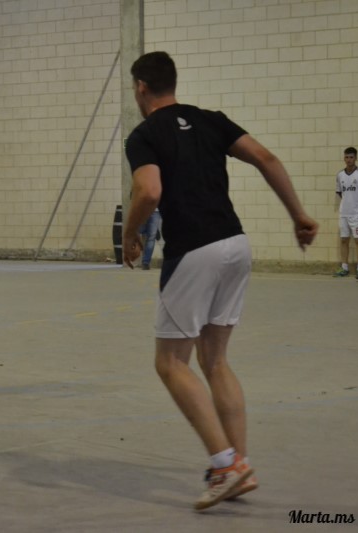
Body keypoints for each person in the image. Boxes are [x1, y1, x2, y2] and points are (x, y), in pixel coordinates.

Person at [122, 51, 318, 511]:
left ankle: (226, 465)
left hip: (195, 250)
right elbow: (266, 158)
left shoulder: (144, 134)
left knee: (171, 363)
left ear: (140, 88)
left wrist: (130, 234)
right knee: (215, 360)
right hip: (236, 245)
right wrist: (298, 215)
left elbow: (149, 190)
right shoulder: (211, 120)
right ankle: (238, 465)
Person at [333, 147, 358, 279]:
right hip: (344, 214)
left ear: (355, 158)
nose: (349, 160)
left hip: (357, 214)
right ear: (344, 158)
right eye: (346, 157)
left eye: (351, 157)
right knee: (344, 240)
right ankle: (344, 267)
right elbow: (340, 193)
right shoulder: (340, 175)